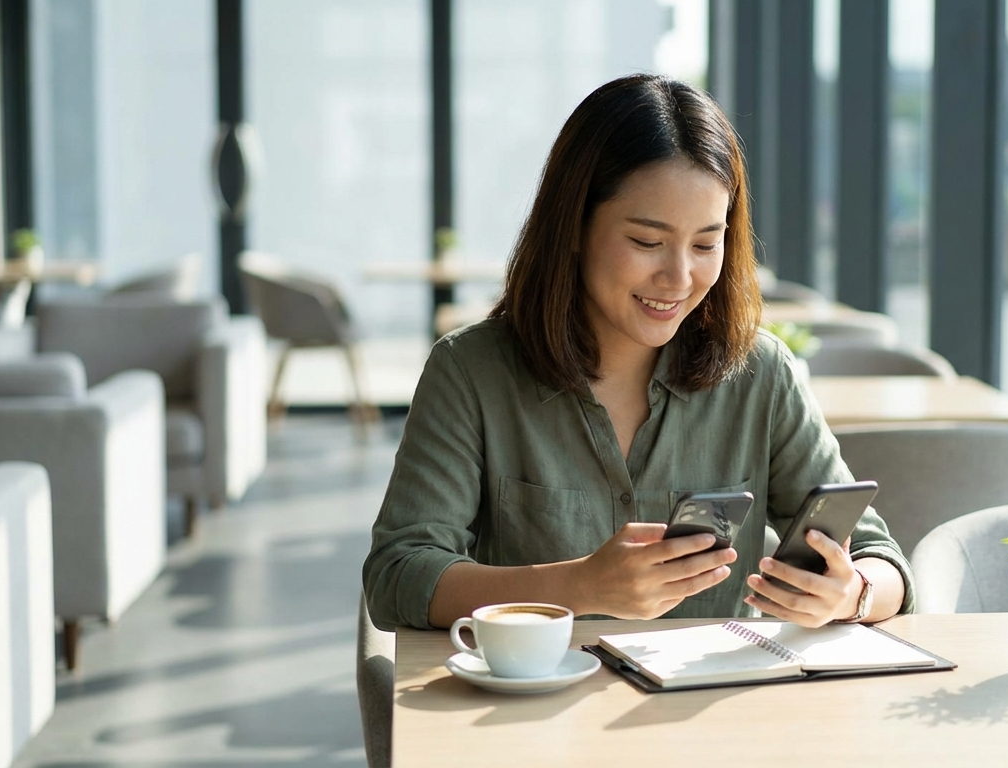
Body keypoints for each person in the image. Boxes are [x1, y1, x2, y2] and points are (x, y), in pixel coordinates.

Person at [363, 74, 912, 632]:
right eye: (647, 242)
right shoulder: (470, 372)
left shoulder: (761, 374)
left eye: (705, 243)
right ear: (574, 225)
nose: (678, 277)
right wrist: (578, 586)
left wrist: (853, 593)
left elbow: (880, 558)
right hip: (530, 710)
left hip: (711, 710)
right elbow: (397, 575)